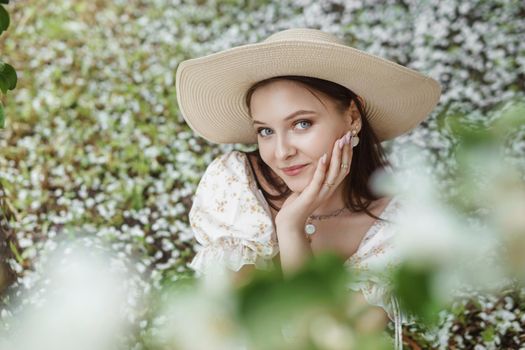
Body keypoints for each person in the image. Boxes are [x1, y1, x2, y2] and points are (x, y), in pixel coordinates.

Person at [175, 28, 441, 348]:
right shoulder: (238, 190)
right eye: (265, 131)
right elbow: (242, 329)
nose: (282, 151)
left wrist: (291, 228)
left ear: (353, 117)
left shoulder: (395, 232)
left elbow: (316, 340)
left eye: (302, 124)